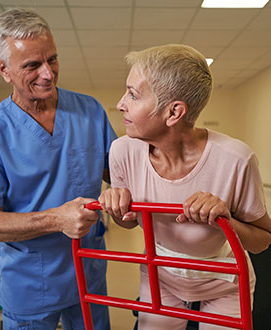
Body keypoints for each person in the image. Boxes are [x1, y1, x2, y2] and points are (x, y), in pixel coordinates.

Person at [0, 8, 116, 330]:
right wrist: (56, 219)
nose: (48, 73)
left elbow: (118, 176)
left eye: (53, 59)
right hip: (31, 281)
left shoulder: (89, 110)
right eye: (32, 65)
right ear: (3, 69)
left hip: (88, 268)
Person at [98, 44, 271, 330]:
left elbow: (263, 239)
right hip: (160, 276)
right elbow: (128, 224)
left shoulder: (236, 159)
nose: (120, 104)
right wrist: (118, 208)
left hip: (223, 281)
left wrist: (225, 221)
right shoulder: (122, 152)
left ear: (174, 112)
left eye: (133, 94)